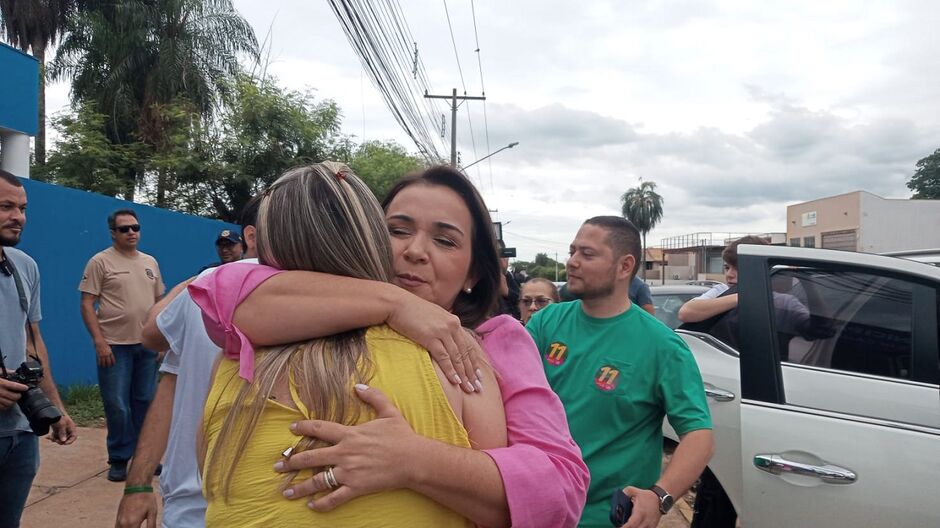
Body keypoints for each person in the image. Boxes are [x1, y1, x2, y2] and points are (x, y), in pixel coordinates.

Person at [189, 166, 588, 527]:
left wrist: (414, 460)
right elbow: (219, 294)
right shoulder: (287, 312)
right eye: (397, 231)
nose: (414, 250)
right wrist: (393, 303)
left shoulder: (491, 343)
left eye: (445, 241)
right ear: (368, 237)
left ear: (474, 273)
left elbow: (559, 491)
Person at [525, 216, 714, 528]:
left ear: (625, 266)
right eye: (572, 251)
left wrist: (659, 497)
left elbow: (699, 436)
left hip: (607, 520)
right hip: (535, 510)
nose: (572, 262)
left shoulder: (662, 346)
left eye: (587, 254)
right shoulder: (546, 323)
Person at [115, 197, 261, 528]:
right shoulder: (347, 302)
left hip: (203, 508)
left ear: (248, 238)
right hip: (197, 506)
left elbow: (152, 334)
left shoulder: (200, 290)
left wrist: (198, 283)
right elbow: (172, 384)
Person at [0, 170, 77, 528]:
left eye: (22, 208)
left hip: (20, 429)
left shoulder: (24, 266)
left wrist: (56, 408)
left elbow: (34, 343)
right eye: (6, 207)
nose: (18, 217)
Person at [79, 209, 165, 482]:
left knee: (145, 402)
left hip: (147, 346)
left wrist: (163, 338)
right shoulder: (100, 262)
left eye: (135, 228)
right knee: (117, 404)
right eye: (125, 229)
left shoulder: (150, 261)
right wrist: (99, 341)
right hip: (114, 347)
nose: (131, 233)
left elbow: (160, 303)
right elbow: (86, 303)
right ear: (113, 233)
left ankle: (145, 458)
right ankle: (118, 458)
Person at [497, 240, 521, 319]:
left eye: (499, 253)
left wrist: (507, 292)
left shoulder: (511, 279)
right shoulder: (472, 282)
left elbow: (522, 303)